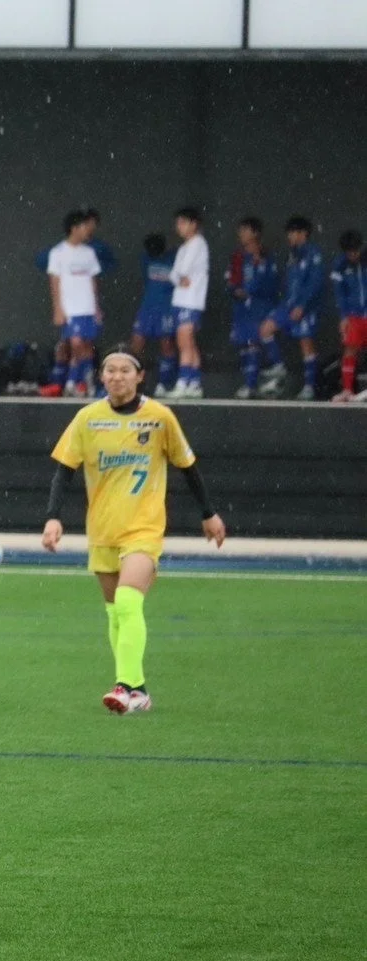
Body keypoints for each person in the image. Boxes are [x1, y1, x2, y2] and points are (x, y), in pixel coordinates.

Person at [42, 351, 226, 714]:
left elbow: (188, 467)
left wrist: (209, 514)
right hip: (103, 530)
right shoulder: (88, 418)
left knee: (128, 602)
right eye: (110, 370)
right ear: (102, 376)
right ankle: (139, 690)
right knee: (115, 612)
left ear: (140, 376)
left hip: (144, 529)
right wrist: (53, 517)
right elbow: (64, 470)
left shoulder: (159, 418)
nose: (117, 376)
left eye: (125, 370)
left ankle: (123, 687)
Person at [259, 216, 326, 400]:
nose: (290, 236)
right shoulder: (292, 254)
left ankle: (310, 386)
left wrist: (302, 305)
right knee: (266, 329)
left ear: (303, 233)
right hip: (288, 305)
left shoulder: (313, 252)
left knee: (306, 343)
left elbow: (315, 282)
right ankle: (279, 368)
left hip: (306, 308)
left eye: (293, 232)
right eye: (289, 232)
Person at [46, 210, 104, 397]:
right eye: (84, 227)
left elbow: (93, 281)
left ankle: (81, 383)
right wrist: (58, 309)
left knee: (86, 346)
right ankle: (76, 380)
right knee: (76, 343)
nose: (88, 230)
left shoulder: (89, 252)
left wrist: (96, 307)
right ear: (74, 228)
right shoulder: (58, 252)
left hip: (87, 307)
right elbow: (54, 282)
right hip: (71, 309)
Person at [226, 217, 280, 400]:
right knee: (246, 346)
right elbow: (231, 282)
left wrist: (251, 290)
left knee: (259, 339)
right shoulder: (238, 256)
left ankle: (275, 375)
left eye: (245, 230)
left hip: (261, 306)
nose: (241, 234)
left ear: (255, 233)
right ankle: (250, 384)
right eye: (240, 230)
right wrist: (237, 291)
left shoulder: (266, 256)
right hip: (242, 308)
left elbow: (270, 284)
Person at [166, 207, 209, 398]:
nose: (179, 227)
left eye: (182, 223)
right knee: (189, 342)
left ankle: (183, 382)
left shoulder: (198, 243)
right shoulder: (183, 247)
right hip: (180, 299)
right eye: (178, 223)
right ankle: (195, 383)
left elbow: (182, 271)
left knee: (184, 341)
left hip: (191, 300)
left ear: (193, 224)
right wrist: (177, 277)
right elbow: (174, 275)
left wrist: (178, 276)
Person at [130, 233, 177, 393]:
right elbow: (146, 279)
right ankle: (133, 383)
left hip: (166, 308)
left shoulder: (174, 258)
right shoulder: (146, 258)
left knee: (166, 344)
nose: (153, 252)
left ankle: (165, 383)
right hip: (147, 307)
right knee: (136, 343)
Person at [329, 229, 366, 403]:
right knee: (350, 349)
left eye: (355, 251)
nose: (353, 255)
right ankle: (347, 390)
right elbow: (339, 293)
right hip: (354, 317)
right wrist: (344, 316)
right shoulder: (340, 265)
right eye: (349, 252)